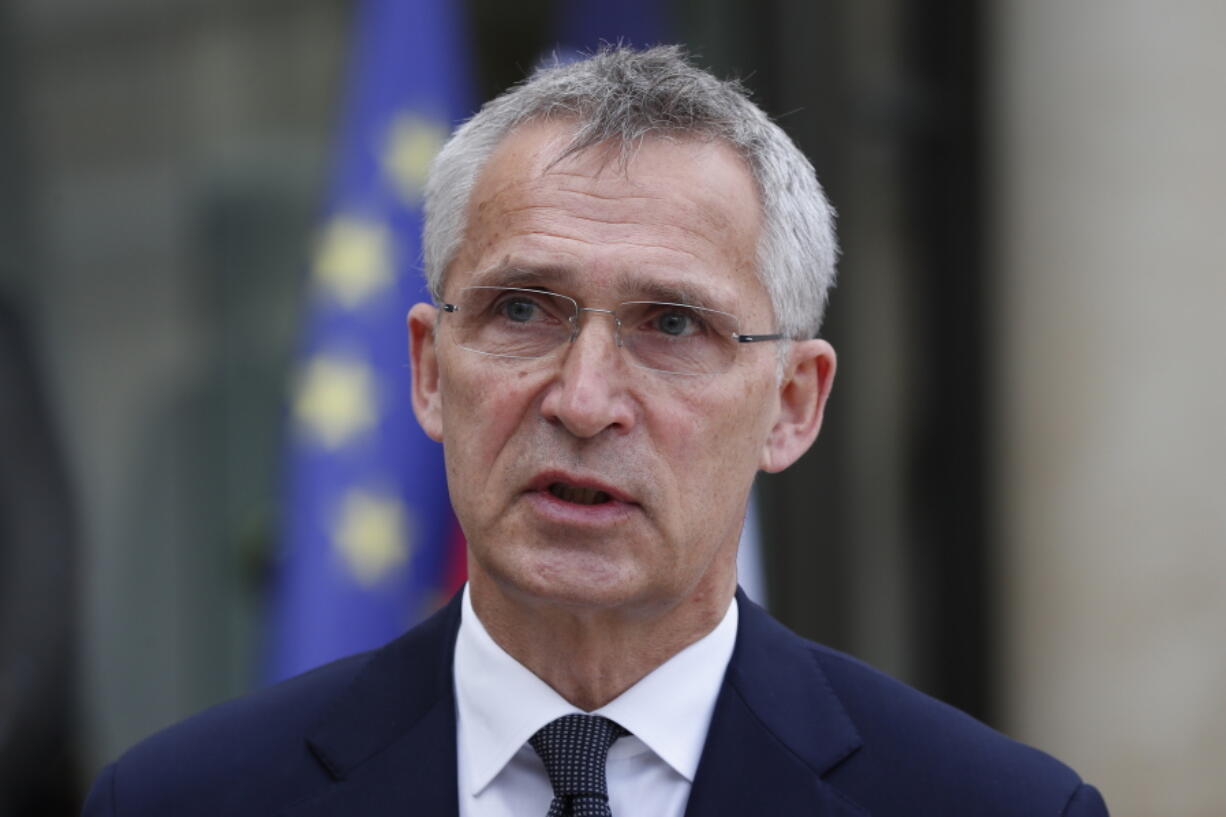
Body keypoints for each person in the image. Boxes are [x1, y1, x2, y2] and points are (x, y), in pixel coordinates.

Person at [82, 46, 1108, 817]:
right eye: (523, 310)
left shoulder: (990, 807)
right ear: (430, 371)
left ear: (792, 403)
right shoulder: (184, 800)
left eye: (671, 324)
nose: (581, 400)